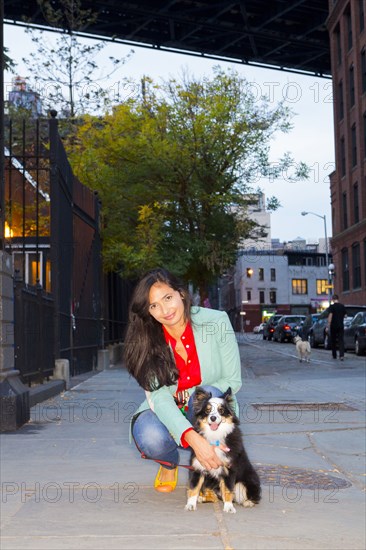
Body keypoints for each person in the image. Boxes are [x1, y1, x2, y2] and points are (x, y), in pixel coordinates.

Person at [123, 268, 242, 493]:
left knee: (208, 392)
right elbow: (158, 397)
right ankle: (169, 463)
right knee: (149, 435)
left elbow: (232, 380)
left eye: (167, 298)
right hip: (166, 410)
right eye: (153, 305)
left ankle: (212, 459)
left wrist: (196, 402)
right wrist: (193, 439)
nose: (165, 310)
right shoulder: (148, 339)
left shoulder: (216, 321)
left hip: (209, 407)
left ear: (181, 294)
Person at [327, 294, 347, 360]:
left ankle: (334, 355)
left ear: (333, 299)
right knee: (341, 340)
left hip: (333, 326)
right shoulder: (342, 306)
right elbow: (345, 316)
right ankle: (341, 355)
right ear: (338, 299)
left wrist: (328, 325)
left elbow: (330, 316)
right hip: (341, 325)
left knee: (333, 340)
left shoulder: (332, 307)